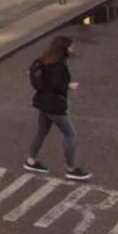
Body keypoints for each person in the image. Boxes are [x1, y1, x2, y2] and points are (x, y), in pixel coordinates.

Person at [26, 34, 89, 179]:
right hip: (54, 105)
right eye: (71, 46)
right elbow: (55, 84)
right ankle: (71, 169)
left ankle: (30, 160)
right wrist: (69, 85)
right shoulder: (59, 66)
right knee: (70, 134)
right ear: (64, 49)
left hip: (42, 102)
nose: (73, 49)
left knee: (41, 132)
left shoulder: (45, 59)